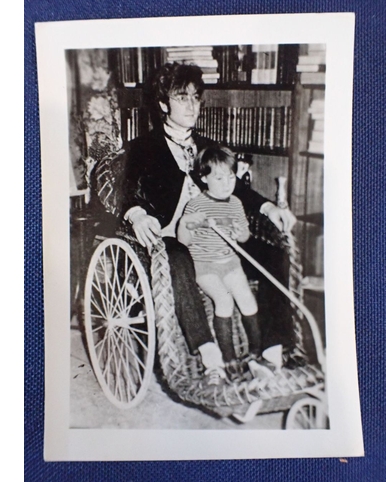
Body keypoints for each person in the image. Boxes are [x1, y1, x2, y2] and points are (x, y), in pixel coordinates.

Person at [120, 62, 301, 385]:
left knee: (274, 254)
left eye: (195, 97)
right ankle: (209, 355)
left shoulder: (208, 147)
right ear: (163, 105)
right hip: (176, 235)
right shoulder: (142, 148)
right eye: (181, 98)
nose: (192, 106)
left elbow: (238, 188)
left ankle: (273, 351)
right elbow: (123, 190)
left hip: (221, 234)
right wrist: (137, 213)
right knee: (177, 259)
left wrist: (269, 207)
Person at [177, 146, 266, 382]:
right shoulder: (195, 205)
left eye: (230, 176)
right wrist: (186, 223)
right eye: (219, 177)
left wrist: (240, 232)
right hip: (205, 266)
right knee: (224, 299)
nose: (227, 183)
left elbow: (244, 236)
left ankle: (256, 352)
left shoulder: (235, 203)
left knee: (247, 297)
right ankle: (229, 359)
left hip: (231, 262)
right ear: (204, 178)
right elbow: (183, 242)